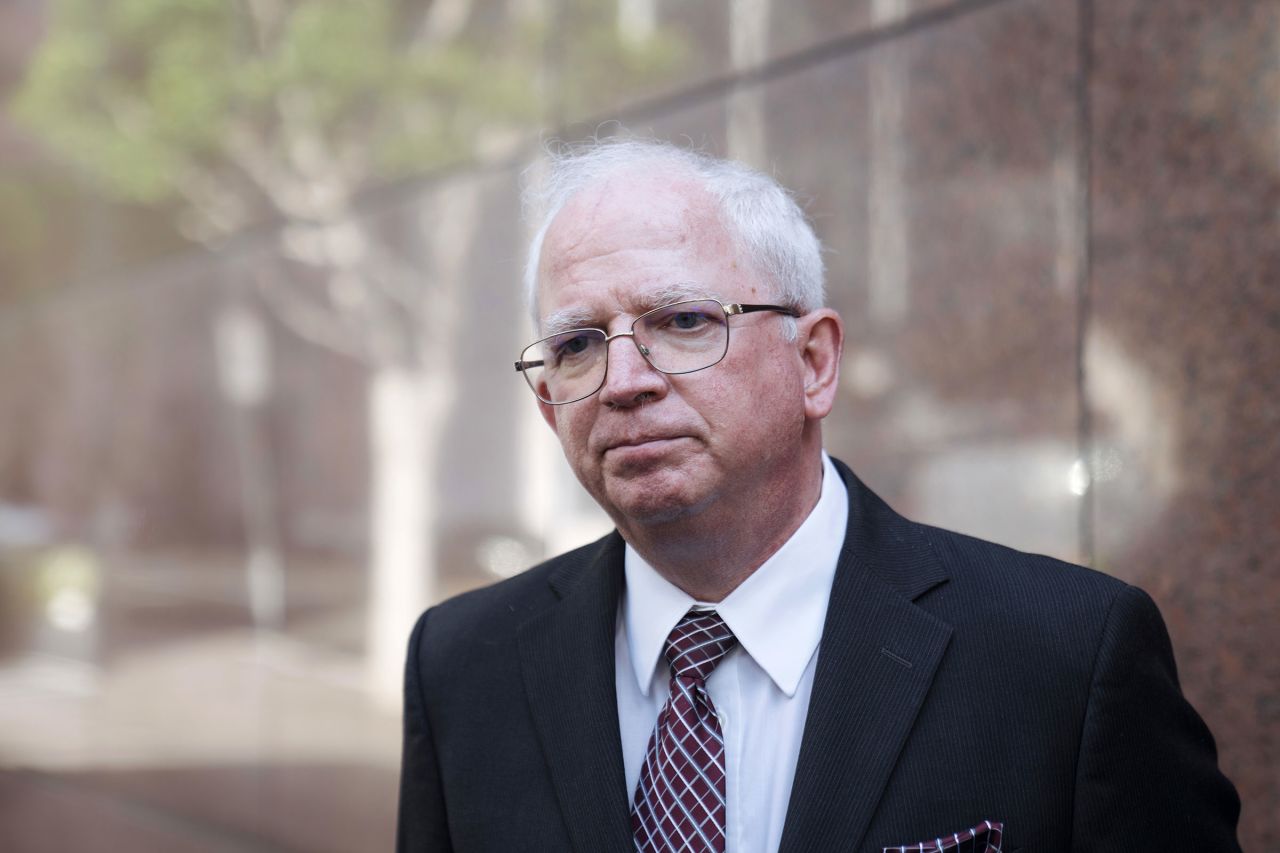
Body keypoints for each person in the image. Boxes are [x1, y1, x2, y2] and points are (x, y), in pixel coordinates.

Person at [396, 138, 1241, 852]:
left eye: (684, 321)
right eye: (578, 342)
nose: (624, 380)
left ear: (814, 363)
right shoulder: (462, 665)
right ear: (548, 403)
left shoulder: (1065, 656)